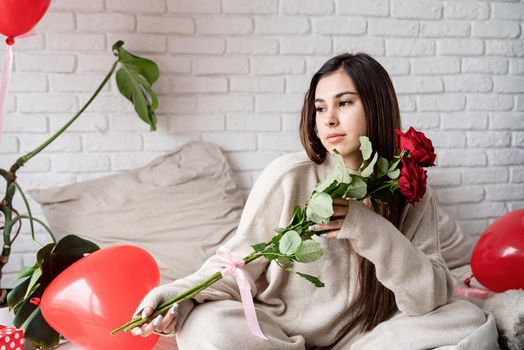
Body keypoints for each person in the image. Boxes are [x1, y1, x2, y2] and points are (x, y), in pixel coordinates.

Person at [130, 53, 498, 349]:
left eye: (344, 103)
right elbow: (238, 262)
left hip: (365, 338)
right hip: (275, 334)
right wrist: (177, 296)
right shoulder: (290, 175)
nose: (329, 119)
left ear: (376, 107)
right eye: (320, 108)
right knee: (206, 326)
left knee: (465, 317)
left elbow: (426, 299)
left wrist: (369, 229)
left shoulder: (410, 190)